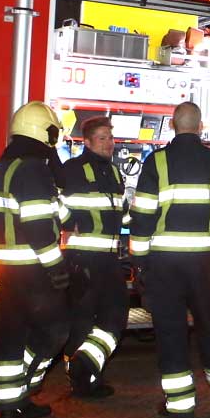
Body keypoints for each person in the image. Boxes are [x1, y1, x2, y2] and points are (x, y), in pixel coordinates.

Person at [129, 101, 210, 418]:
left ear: (173, 127)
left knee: (170, 331)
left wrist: (140, 264)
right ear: (200, 126)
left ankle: (180, 404)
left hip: (165, 265)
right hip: (205, 263)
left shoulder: (157, 162)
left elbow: (142, 217)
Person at [0, 102, 72, 418]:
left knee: (12, 332)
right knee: (54, 331)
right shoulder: (32, 168)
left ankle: (8, 402)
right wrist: (56, 267)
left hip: (7, 266)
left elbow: (54, 213)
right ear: (44, 131)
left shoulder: (7, 165)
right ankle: (24, 387)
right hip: (32, 267)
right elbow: (38, 225)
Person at [59, 116, 130, 399]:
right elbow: (58, 207)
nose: (108, 143)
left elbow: (119, 213)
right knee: (83, 322)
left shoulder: (112, 172)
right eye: (102, 138)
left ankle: (84, 365)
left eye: (110, 138)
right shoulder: (73, 169)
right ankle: (83, 381)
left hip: (110, 260)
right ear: (86, 142)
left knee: (115, 317)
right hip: (83, 259)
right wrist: (67, 223)